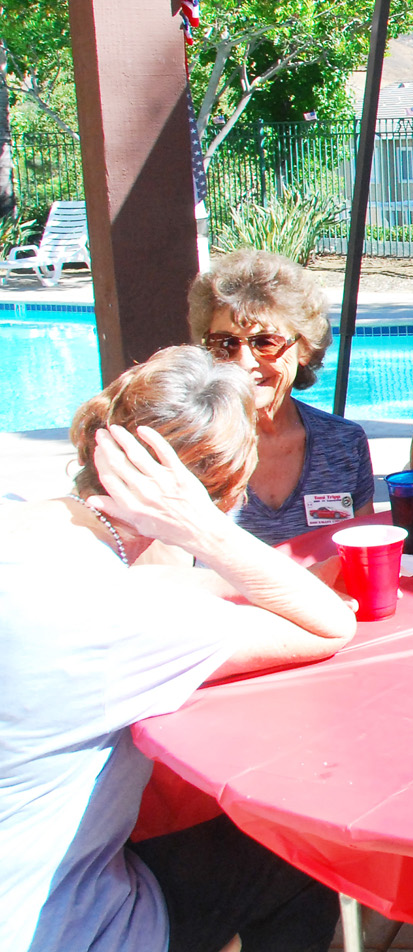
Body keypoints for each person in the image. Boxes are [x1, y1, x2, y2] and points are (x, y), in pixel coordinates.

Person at [2, 346, 356, 952]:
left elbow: (162, 584)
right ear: (226, 491)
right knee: (296, 858)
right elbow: (327, 626)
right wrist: (206, 531)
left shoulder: (32, 531)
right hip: (60, 928)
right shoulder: (125, 618)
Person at [188, 249, 375, 543]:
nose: (244, 363)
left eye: (265, 342)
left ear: (304, 348)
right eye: (225, 343)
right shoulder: (190, 448)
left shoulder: (342, 444)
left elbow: (364, 549)